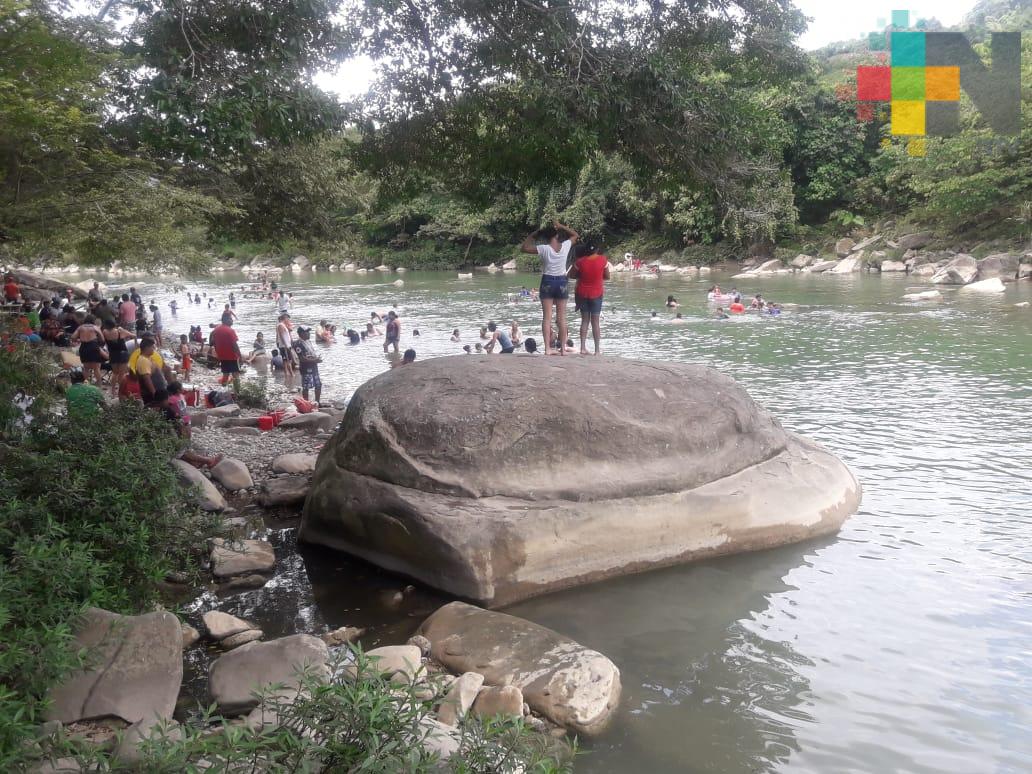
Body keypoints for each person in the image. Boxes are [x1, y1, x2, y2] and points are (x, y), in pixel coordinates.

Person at [520, 219, 579, 356]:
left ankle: (547, 349)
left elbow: (523, 248)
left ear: (546, 238)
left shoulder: (544, 248)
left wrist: (534, 235)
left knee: (547, 317)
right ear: (557, 235)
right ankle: (563, 350)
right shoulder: (565, 246)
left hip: (547, 281)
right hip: (562, 282)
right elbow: (576, 235)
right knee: (562, 318)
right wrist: (561, 226)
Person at [569, 242, 610, 355]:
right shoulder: (603, 260)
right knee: (595, 322)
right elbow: (607, 276)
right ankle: (597, 351)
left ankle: (582, 348)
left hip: (582, 293)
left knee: (585, 320)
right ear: (597, 250)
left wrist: (582, 275)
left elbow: (572, 275)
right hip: (597, 293)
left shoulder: (580, 262)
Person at [102, 319, 135, 398]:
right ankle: (121, 391)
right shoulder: (120, 331)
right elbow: (133, 335)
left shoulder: (104, 332)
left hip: (113, 354)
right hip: (123, 354)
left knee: (115, 373)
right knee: (122, 374)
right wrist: (136, 344)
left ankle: (113, 391)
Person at [70, 315, 106, 385]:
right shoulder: (95, 327)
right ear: (93, 321)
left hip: (84, 347)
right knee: (96, 367)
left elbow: (73, 337)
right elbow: (102, 339)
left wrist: (80, 338)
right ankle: (99, 384)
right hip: (93, 346)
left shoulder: (80, 327)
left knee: (86, 368)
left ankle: (85, 383)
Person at [293, 327, 323, 404]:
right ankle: (306, 404)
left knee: (318, 385)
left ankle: (317, 402)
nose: (309, 333)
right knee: (306, 387)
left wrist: (316, 358)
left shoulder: (308, 341)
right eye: (307, 332)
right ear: (302, 334)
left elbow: (310, 354)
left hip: (313, 366)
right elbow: (302, 359)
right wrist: (315, 360)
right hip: (306, 368)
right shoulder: (298, 344)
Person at [212, 315, 242, 391]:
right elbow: (234, 345)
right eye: (231, 319)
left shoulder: (216, 330)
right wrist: (240, 356)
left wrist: (218, 354)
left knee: (225, 374)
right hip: (232, 357)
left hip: (222, 357)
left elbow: (213, 343)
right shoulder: (230, 331)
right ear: (226, 320)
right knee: (235, 375)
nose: (232, 321)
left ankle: (223, 390)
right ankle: (237, 391)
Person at [134, 338, 159, 403]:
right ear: (147, 348)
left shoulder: (148, 358)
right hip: (148, 392)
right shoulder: (143, 360)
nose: (154, 349)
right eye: (153, 347)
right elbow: (147, 379)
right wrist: (154, 393)